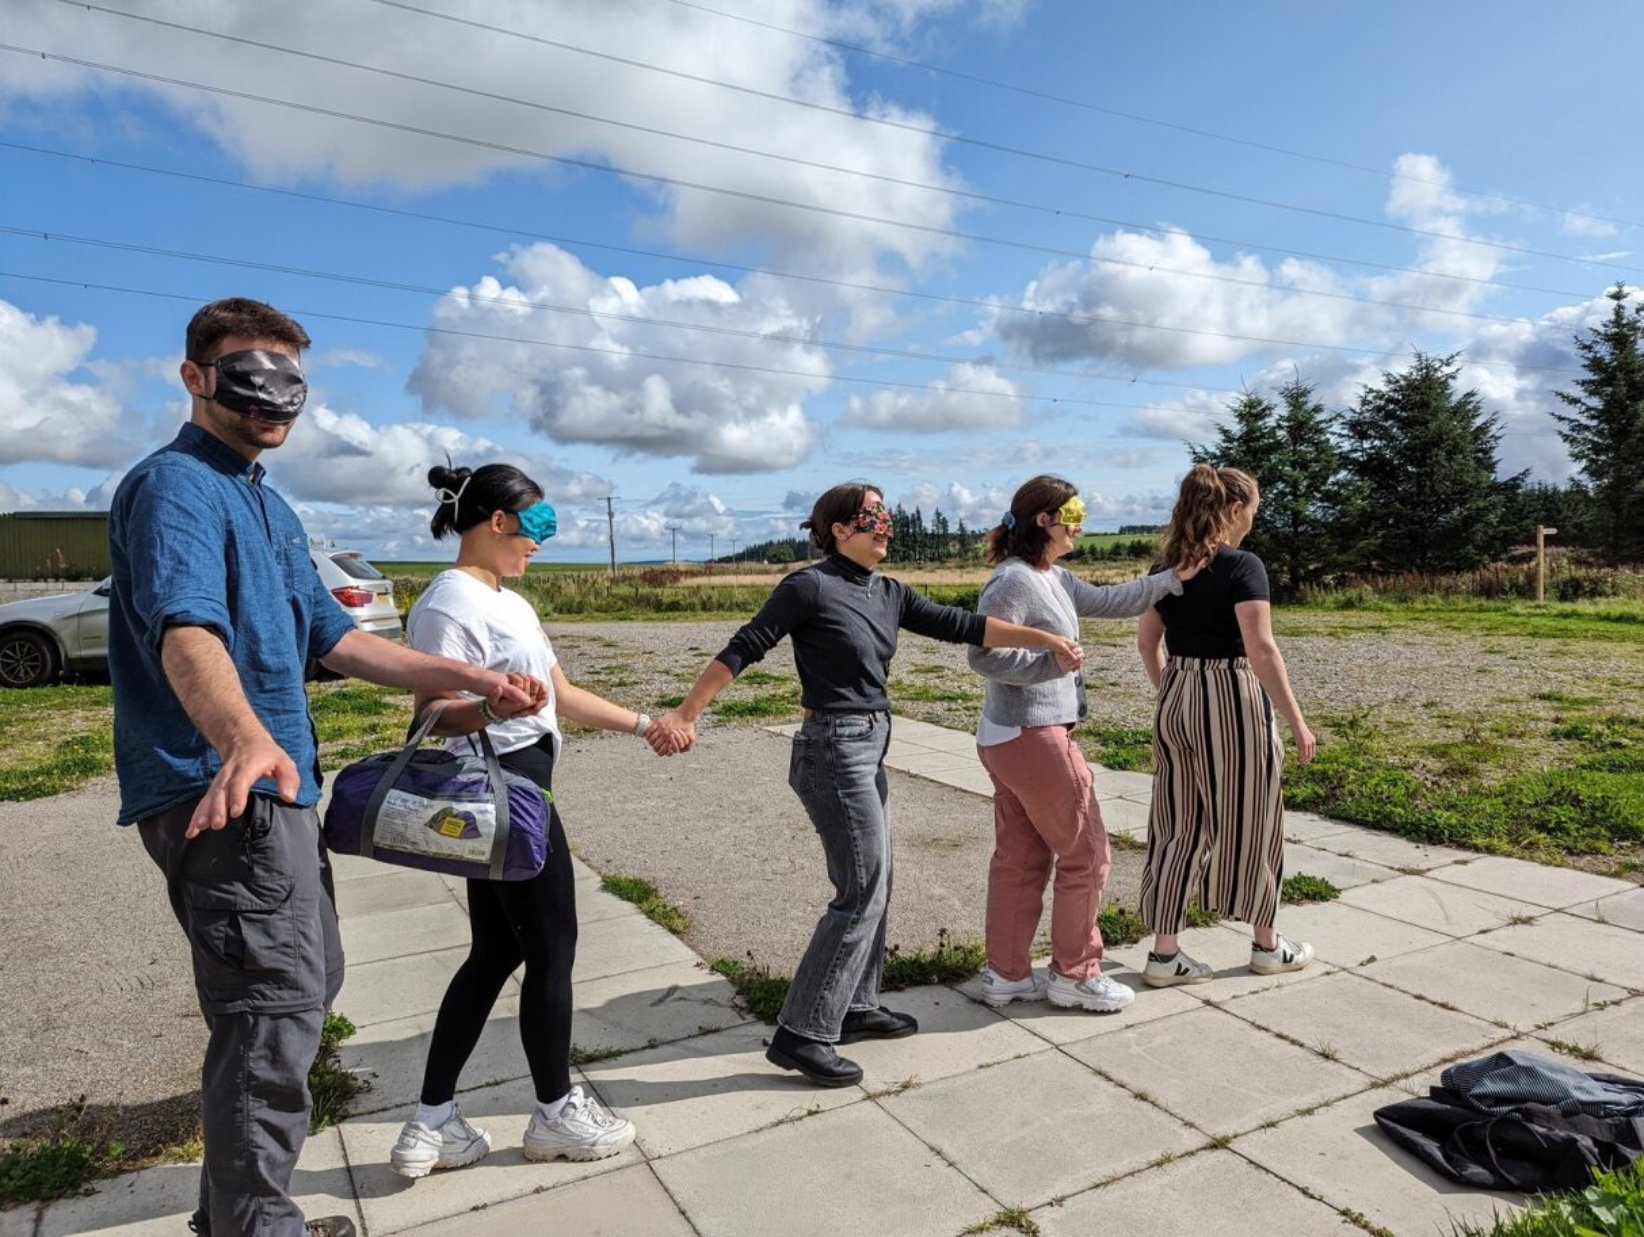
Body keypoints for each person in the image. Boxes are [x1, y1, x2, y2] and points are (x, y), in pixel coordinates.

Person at [109, 299, 547, 1237]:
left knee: (298, 993)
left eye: (290, 379)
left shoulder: (264, 499)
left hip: (280, 793)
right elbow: (186, 626)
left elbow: (341, 638)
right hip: (227, 791)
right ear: (194, 377)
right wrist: (243, 737)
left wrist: (465, 674)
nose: (273, 395)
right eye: (247, 373)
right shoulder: (177, 487)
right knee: (273, 1014)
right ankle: (256, 1226)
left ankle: (232, 1213)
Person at [648, 482, 1084, 1087]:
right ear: (837, 530)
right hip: (832, 746)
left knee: (877, 880)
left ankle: (853, 1005)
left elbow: (967, 626)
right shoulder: (808, 586)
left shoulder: (888, 593)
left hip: (870, 740)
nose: (885, 527)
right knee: (860, 889)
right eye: (870, 517)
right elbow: (746, 646)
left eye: (886, 516)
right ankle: (802, 1033)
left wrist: (1045, 640)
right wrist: (685, 714)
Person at [388, 462, 677, 1179]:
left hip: (526, 785)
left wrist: (646, 723)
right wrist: (487, 707)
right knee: (553, 946)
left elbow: (561, 695)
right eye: (537, 525)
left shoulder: (507, 601)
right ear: (495, 521)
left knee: (497, 952)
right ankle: (554, 1112)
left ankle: (430, 1124)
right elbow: (430, 716)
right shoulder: (447, 603)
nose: (541, 543)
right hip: (502, 792)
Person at [968, 475, 1200, 1014]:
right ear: (1043, 520)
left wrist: (1172, 578)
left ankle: (1007, 976)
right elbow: (983, 656)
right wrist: (1052, 661)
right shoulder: (1014, 582)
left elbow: (1113, 600)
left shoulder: (1053, 576)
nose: (1081, 522)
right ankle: (1075, 974)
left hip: (1010, 736)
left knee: (1021, 858)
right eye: (1072, 511)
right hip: (1033, 736)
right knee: (1087, 853)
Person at [1134, 464, 1318, 988]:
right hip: (1231, 697)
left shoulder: (1166, 565)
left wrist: (1173, 691)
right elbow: (1260, 648)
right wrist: (1297, 720)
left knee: (1176, 825)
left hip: (1177, 694)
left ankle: (1165, 955)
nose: (1253, 523)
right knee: (1252, 818)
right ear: (1235, 510)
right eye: (1252, 512)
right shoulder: (1243, 567)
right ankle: (1266, 943)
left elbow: (1148, 643)